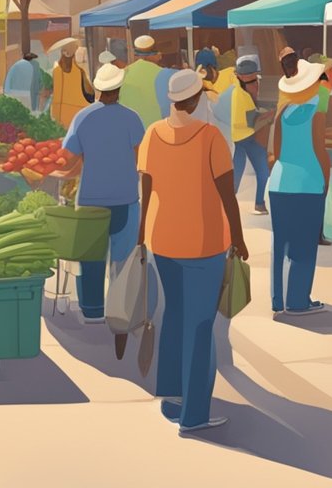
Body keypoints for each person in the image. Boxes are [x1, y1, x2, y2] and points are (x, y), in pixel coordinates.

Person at [138, 69, 247, 434]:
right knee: (201, 326)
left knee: (175, 315)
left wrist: (141, 235)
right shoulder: (211, 137)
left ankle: (172, 398)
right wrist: (239, 237)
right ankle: (195, 414)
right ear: (199, 98)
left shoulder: (153, 133)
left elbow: (146, 188)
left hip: (163, 240)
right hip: (204, 242)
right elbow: (227, 195)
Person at [54, 63, 146, 331]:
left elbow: (69, 157)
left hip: (91, 200)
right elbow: (141, 156)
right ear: (118, 90)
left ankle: (92, 311)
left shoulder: (82, 117)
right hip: (126, 198)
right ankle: (120, 310)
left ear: (96, 89)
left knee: (91, 257)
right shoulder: (132, 118)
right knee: (123, 259)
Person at [267, 59, 330, 316]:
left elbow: (276, 151)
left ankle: (277, 300)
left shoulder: (283, 110)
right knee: (304, 245)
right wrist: (325, 179)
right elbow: (319, 148)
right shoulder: (317, 109)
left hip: (280, 182)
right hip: (308, 182)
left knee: (280, 243)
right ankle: (298, 300)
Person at [227, 56, 271, 215]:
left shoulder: (239, 89)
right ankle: (259, 204)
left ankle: (228, 203)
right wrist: (269, 115)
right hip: (248, 137)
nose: (256, 83)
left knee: (237, 171)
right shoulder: (241, 95)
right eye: (252, 80)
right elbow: (251, 120)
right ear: (242, 77)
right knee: (263, 171)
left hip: (239, 137)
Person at [120, 35, 170, 126]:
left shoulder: (123, 73)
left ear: (135, 55)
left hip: (131, 128)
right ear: (155, 54)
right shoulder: (165, 74)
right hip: (158, 130)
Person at [51, 39, 93, 127]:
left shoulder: (56, 70)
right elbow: (89, 93)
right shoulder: (79, 72)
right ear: (74, 53)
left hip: (58, 114)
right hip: (77, 116)